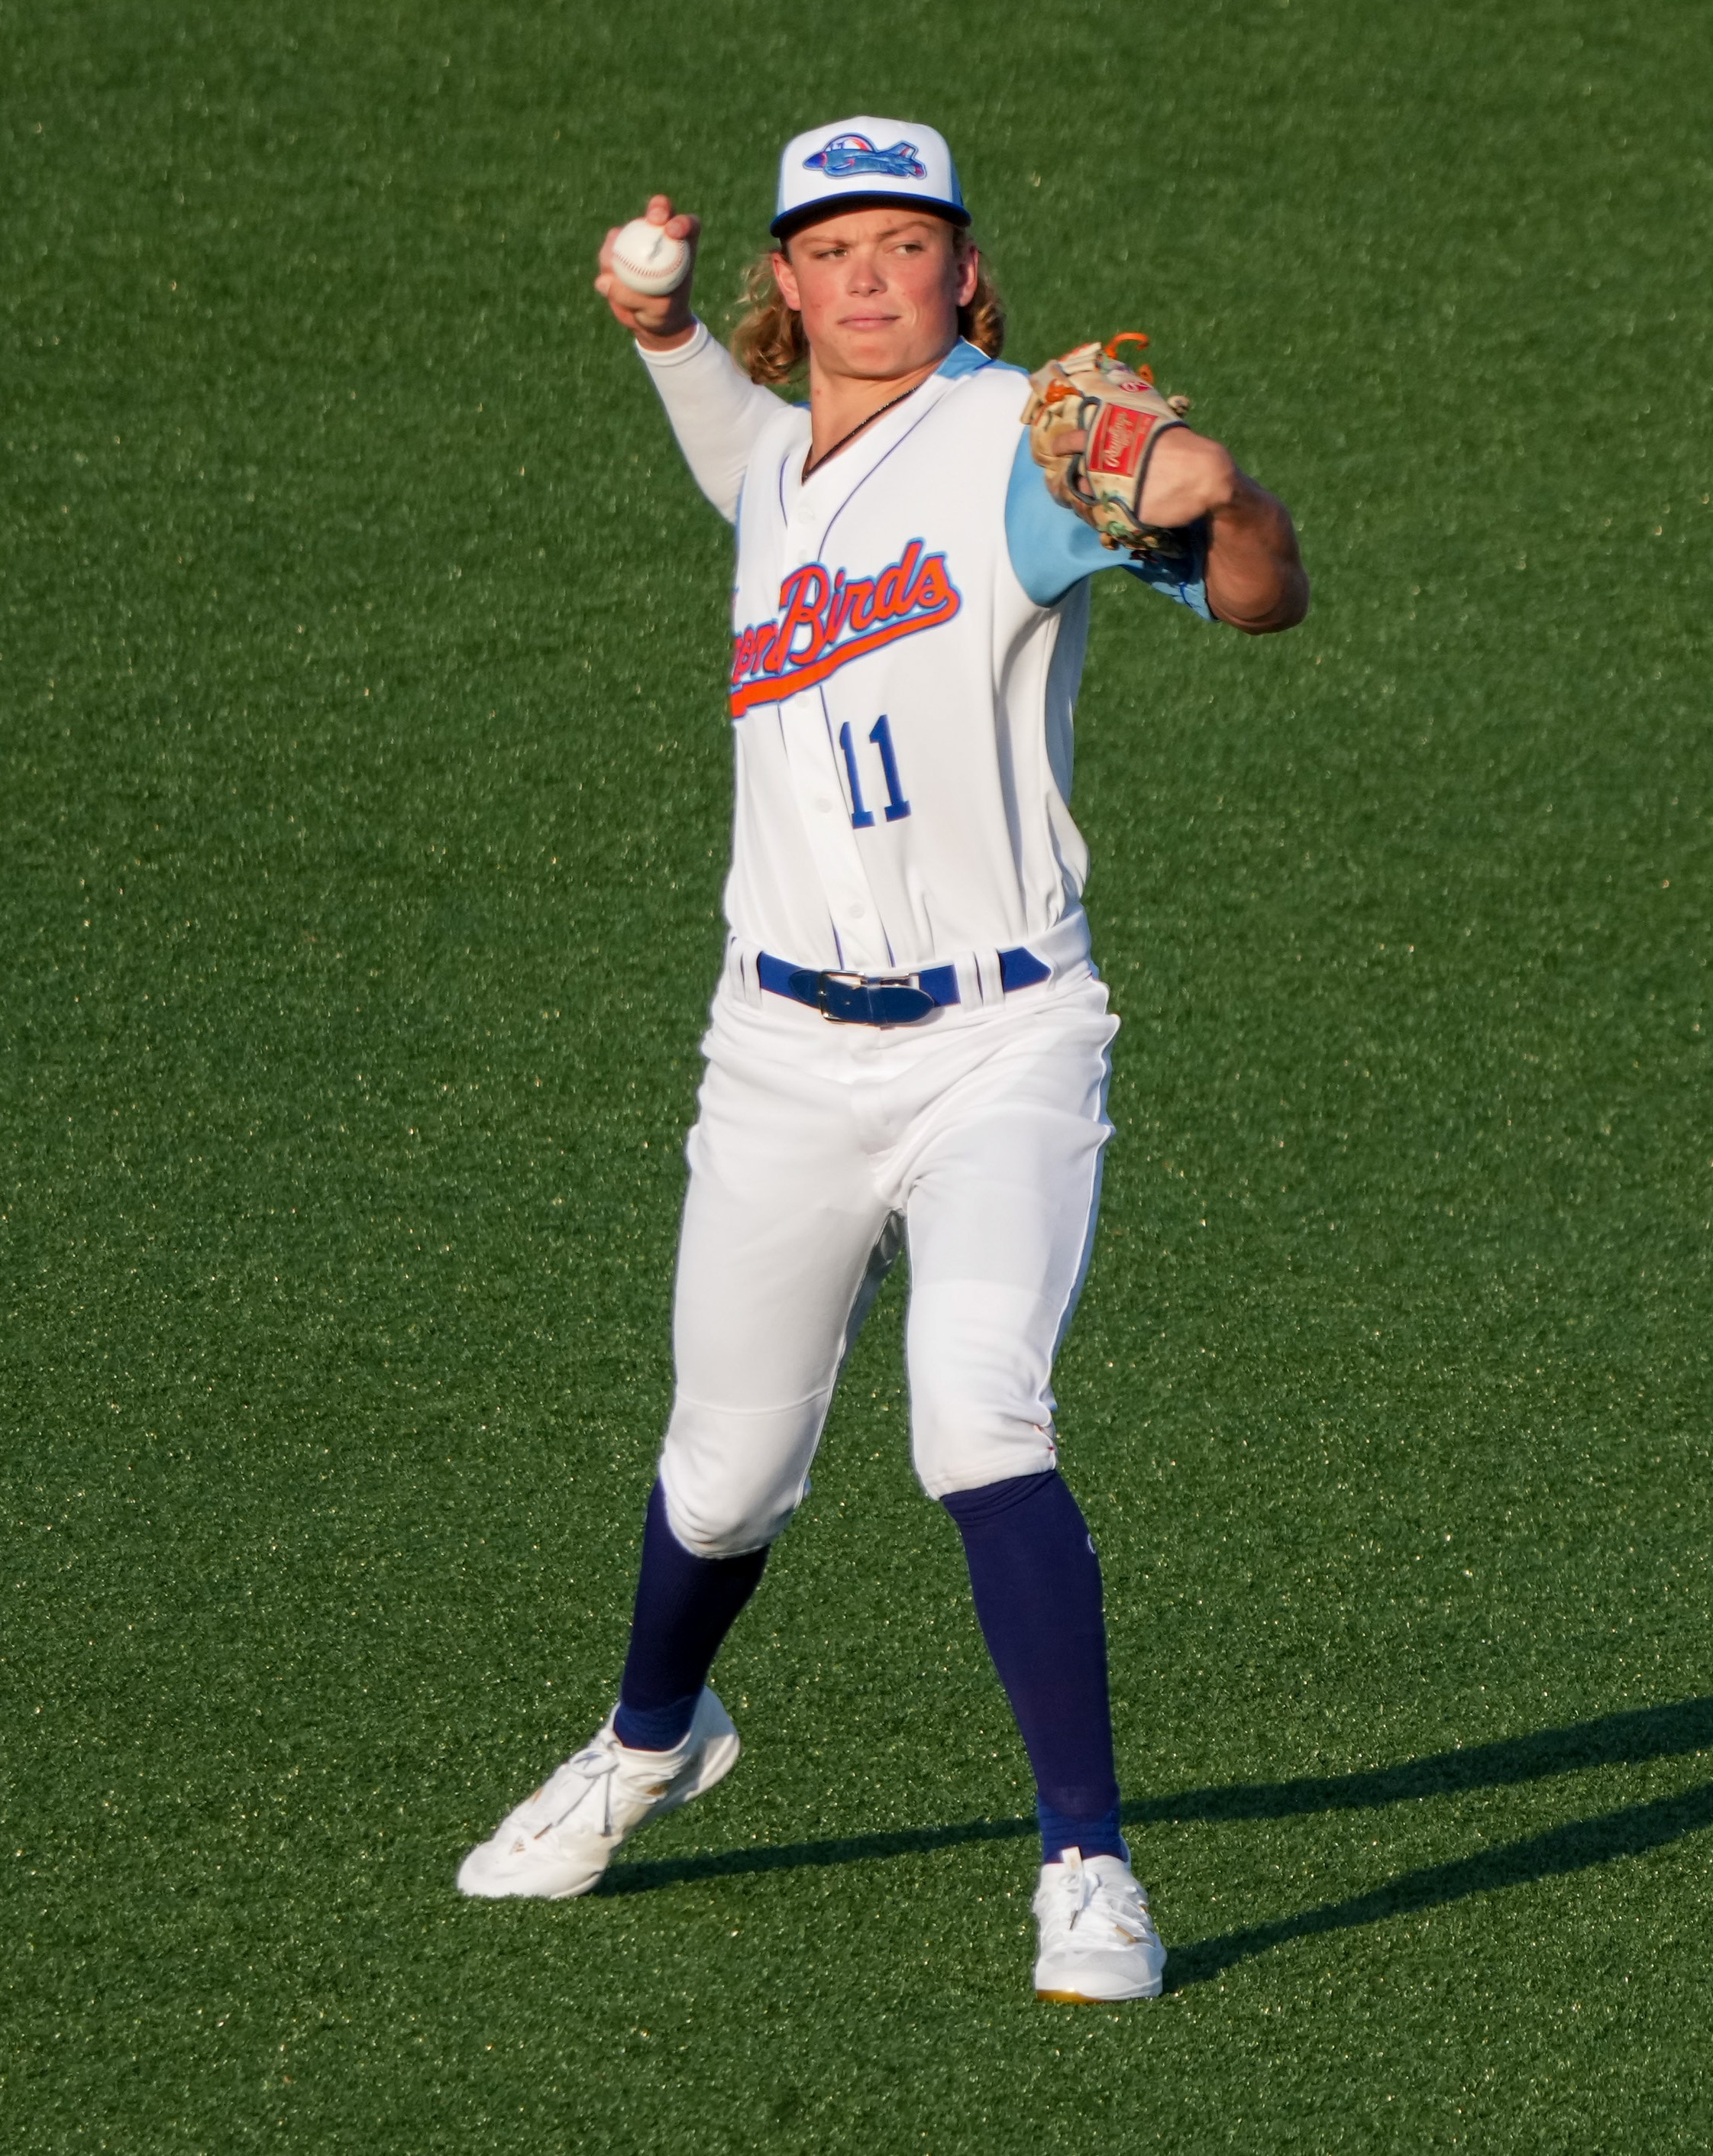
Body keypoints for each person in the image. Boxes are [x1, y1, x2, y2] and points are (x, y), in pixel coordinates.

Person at [454, 115, 1307, 2006]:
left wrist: (1221, 499)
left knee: (975, 1415)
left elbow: (1254, 594)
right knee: (722, 1478)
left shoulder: (1024, 451)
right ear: (788, 281)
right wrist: (647, 318)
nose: (865, 275)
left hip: (1001, 1035)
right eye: (829, 246)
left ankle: (1086, 1864)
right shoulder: (774, 456)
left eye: (901, 243)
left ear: (963, 268)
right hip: (774, 1051)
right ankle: (651, 1741)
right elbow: (723, 438)